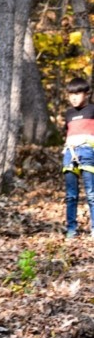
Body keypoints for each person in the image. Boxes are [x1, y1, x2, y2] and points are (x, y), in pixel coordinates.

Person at [62, 76, 94, 238]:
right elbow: (66, 134)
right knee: (71, 195)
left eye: (78, 93)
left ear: (87, 94)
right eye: (70, 94)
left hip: (88, 154)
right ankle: (71, 229)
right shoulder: (68, 114)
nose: (73, 97)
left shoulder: (92, 110)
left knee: (91, 193)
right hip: (70, 154)